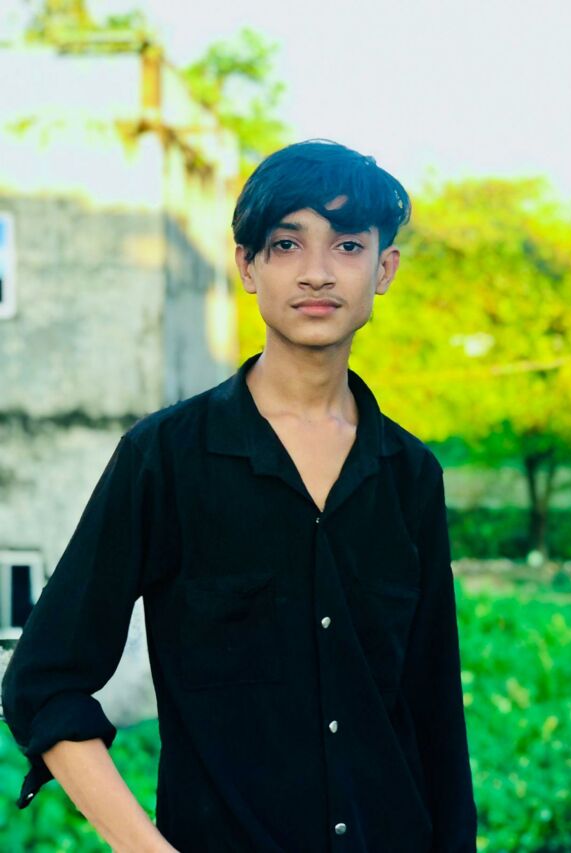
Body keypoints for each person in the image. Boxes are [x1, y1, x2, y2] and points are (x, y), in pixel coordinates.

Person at [1, 138, 478, 852]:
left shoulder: (410, 473)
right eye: (287, 244)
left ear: (384, 269)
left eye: (348, 245)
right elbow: (43, 681)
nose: (317, 272)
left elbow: (435, 715)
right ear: (247, 266)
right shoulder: (166, 458)